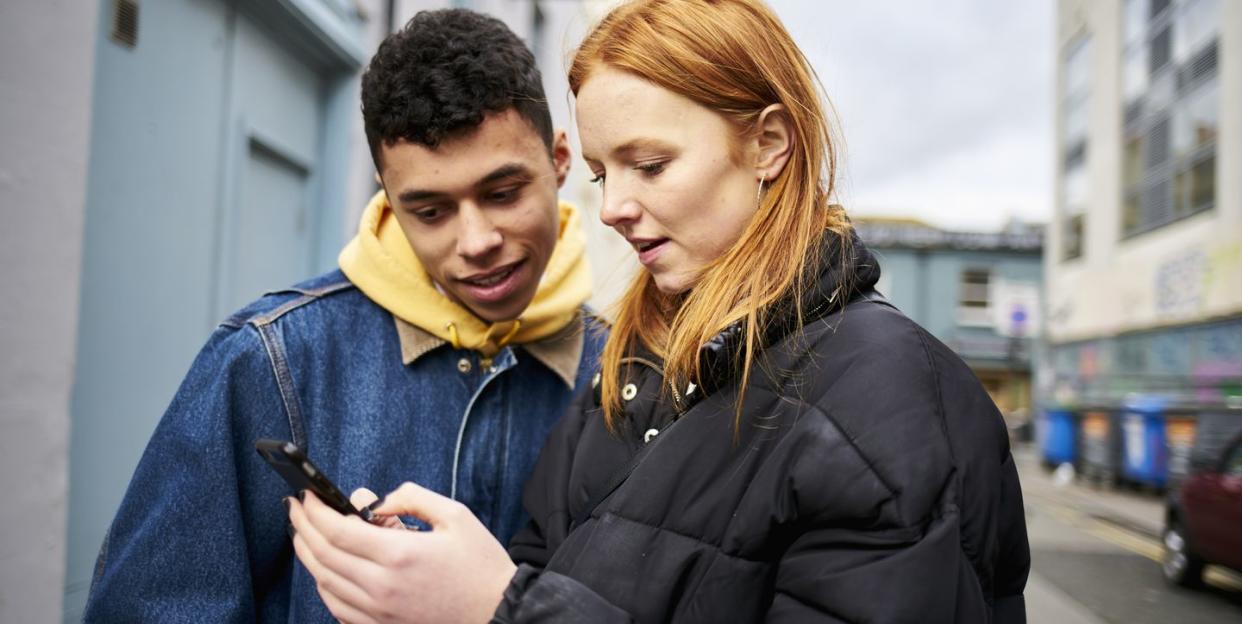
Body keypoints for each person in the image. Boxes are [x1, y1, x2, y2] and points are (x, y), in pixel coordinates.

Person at [287, 0, 1031, 622]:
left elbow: (520, 596)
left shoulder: (894, 396)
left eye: (649, 166)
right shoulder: (636, 360)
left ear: (768, 142)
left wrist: (497, 607)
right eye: (604, 173)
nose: (611, 208)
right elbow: (542, 562)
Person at [83, 9, 605, 622]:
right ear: (388, 197)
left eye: (503, 192)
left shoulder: (627, 368)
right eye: (430, 211)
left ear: (561, 159)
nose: (476, 240)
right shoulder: (273, 359)